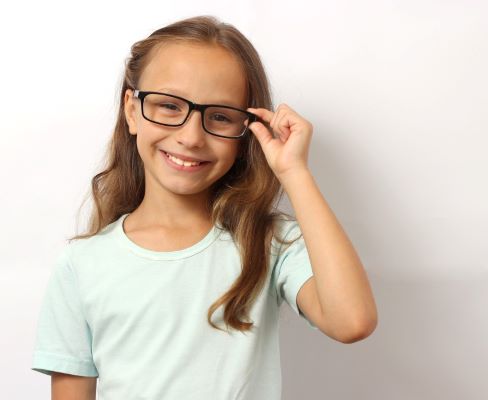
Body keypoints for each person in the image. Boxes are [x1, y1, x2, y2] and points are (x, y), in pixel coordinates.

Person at [30, 15, 377, 400]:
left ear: (247, 130)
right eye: (169, 106)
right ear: (132, 110)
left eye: (220, 116)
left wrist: (293, 171)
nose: (191, 137)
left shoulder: (268, 242)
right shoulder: (82, 264)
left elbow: (352, 321)